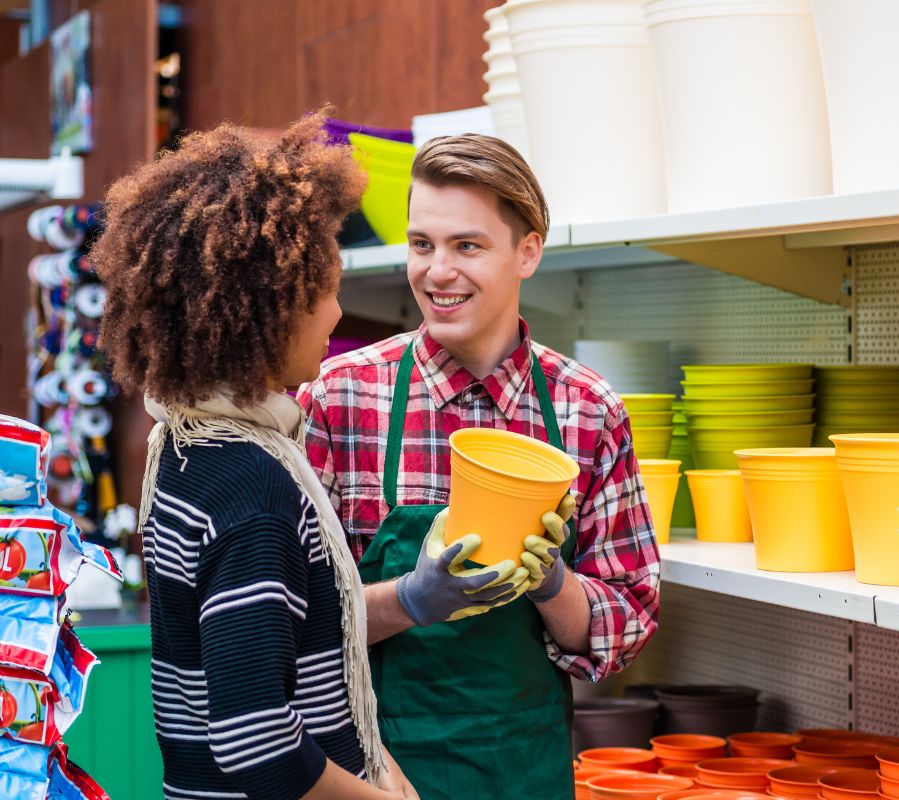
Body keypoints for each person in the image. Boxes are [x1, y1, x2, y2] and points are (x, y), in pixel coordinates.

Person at [298, 134, 661, 799]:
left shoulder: (588, 411)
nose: (437, 272)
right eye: (421, 245)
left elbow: (624, 626)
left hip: (524, 771)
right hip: (376, 776)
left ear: (528, 251)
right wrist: (414, 599)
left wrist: (552, 583)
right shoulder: (338, 398)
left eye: (467, 246)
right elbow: (298, 624)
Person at [91, 113, 417, 800]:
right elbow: (260, 744)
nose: (336, 314)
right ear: (267, 307)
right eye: (324, 289)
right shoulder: (254, 491)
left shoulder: (181, 447)